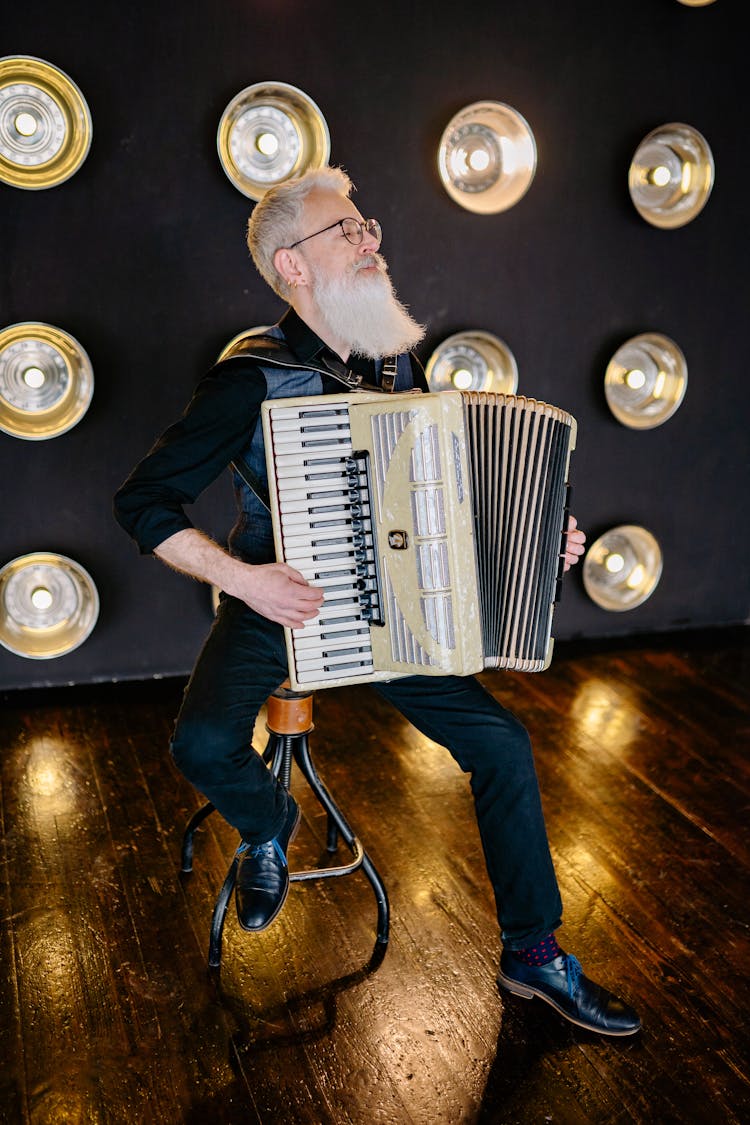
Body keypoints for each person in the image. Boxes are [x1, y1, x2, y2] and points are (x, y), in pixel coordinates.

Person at [113, 165, 640, 1038]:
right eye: (347, 232)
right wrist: (249, 581)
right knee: (203, 742)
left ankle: (533, 954)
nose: (371, 241)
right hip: (283, 600)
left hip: (393, 610)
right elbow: (141, 503)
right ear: (293, 265)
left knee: (503, 744)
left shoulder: (397, 356)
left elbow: (438, 490)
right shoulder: (248, 379)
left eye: (368, 226)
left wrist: (534, 534)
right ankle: (272, 820)